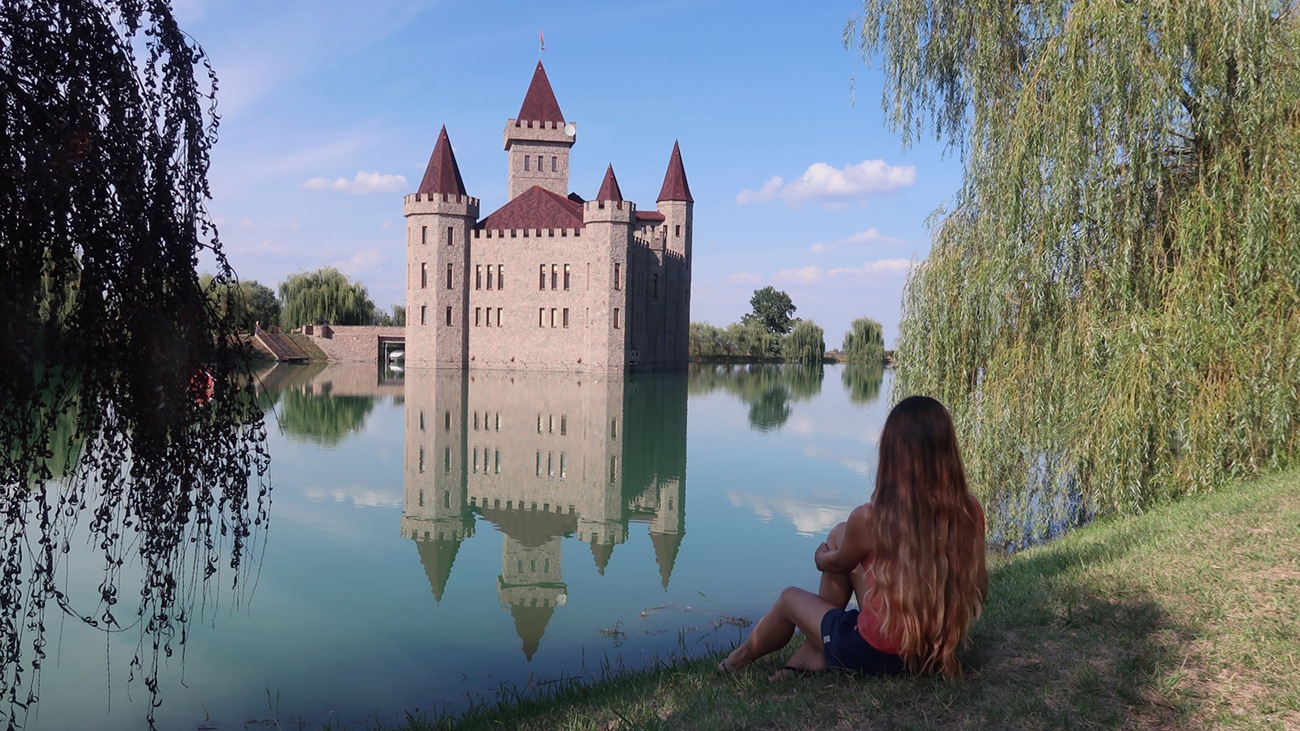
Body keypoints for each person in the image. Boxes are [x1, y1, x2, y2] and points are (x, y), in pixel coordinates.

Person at [720, 395, 988, 680]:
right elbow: (980, 590)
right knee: (840, 532)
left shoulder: (873, 517)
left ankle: (736, 661)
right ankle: (812, 653)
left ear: (892, 452)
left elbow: (837, 563)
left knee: (789, 598)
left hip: (880, 655)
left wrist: (820, 556)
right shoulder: (969, 509)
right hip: (936, 651)